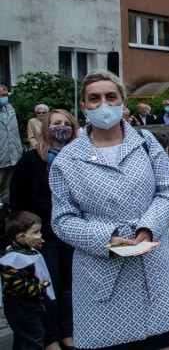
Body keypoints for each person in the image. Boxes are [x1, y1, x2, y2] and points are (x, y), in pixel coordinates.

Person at [49, 70, 169, 349]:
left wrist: (148, 225)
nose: (103, 105)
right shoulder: (68, 158)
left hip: (152, 263)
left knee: (163, 343)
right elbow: (62, 219)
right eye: (94, 98)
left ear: (123, 102)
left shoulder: (147, 143)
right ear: (83, 106)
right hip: (101, 270)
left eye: (111, 97)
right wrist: (105, 237)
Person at [10, 108, 78, 350]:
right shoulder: (30, 161)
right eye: (56, 123)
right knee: (50, 290)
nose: (62, 127)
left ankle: (67, 333)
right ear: (46, 128)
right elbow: (17, 201)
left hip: (72, 234)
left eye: (66, 123)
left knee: (70, 290)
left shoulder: (79, 159)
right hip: (43, 237)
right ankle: (50, 338)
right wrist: (28, 232)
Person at [1, 211, 54, 350]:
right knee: (33, 339)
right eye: (36, 232)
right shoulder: (13, 258)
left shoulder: (27, 250)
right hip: (21, 306)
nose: (40, 236)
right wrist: (42, 287)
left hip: (30, 304)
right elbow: (17, 285)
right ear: (22, 236)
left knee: (23, 338)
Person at [0, 84, 23, 204]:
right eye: (1, 95)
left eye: (5, 95)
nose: (4, 97)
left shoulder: (9, 108)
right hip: (1, 156)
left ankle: (5, 215)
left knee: (10, 189)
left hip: (13, 155)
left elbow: (15, 132)